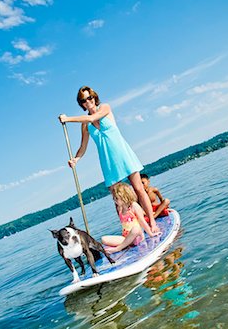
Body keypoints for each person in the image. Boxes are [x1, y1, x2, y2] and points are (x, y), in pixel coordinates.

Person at [58, 86, 160, 233]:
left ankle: (152, 223)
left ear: (94, 97)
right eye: (83, 100)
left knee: (138, 189)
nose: (88, 102)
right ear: (81, 104)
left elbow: (92, 117)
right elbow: (83, 146)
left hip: (123, 154)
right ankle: (129, 229)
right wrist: (75, 159)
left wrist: (67, 119)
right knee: (118, 200)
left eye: (89, 98)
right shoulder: (85, 125)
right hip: (107, 161)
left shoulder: (105, 108)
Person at [101, 183, 160, 253]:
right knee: (103, 239)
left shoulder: (133, 206)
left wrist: (150, 234)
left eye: (116, 198)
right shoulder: (120, 208)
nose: (115, 200)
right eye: (114, 198)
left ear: (124, 196)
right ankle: (125, 244)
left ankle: (119, 248)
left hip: (136, 237)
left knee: (136, 229)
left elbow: (142, 221)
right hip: (126, 238)